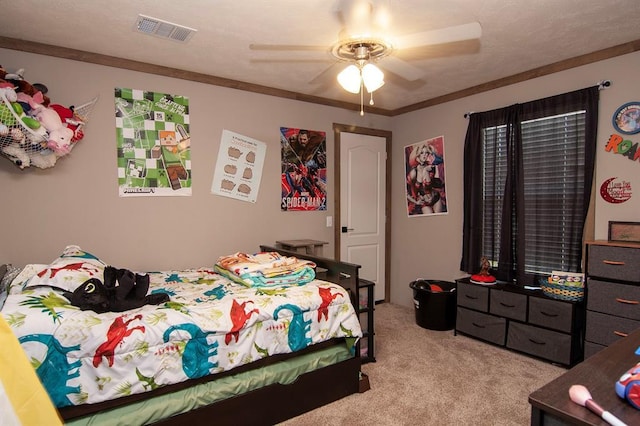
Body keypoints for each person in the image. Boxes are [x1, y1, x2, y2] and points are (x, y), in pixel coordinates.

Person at [406, 143, 445, 215]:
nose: (424, 155)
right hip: (424, 202)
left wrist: (432, 169)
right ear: (417, 156)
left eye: (426, 153)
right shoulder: (414, 172)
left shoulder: (431, 167)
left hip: (435, 198)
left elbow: (439, 184)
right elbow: (405, 191)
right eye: (422, 153)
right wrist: (415, 202)